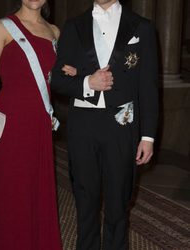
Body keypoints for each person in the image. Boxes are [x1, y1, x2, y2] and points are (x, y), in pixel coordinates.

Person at [51, 0, 159, 249]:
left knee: (118, 203)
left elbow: (149, 87)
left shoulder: (142, 27)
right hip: (83, 126)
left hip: (123, 125)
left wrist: (148, 136)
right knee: (85, 200)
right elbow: (57, 79)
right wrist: (87, 82)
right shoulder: (73, 26)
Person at [0, 0, 76, 249]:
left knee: (36, 189)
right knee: (10, 188)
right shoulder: (3, 27)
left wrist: (70, 72)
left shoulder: (55, 32)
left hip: (40, 120)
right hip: (12, 121)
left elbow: (55, 78)